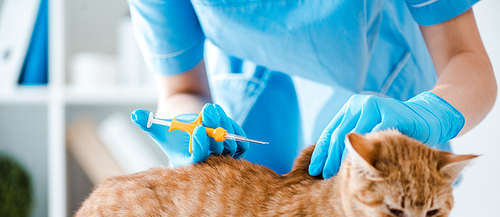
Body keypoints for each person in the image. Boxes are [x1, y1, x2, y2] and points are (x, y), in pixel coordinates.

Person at [128, 0, 496, 178]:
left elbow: (467, 59)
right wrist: (186, 124)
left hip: (386, 160)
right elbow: (181, 87)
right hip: (248, 134)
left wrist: (431, 114)